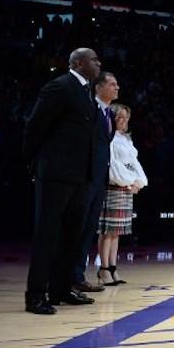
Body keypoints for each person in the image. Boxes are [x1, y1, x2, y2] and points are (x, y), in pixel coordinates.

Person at [23, 48, 102, 314]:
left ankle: (61, 288)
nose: (98, 62)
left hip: (80, 176)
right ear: (78, 63)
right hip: (56, 174)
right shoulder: (59, 86)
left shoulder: (86, 90)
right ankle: (35, 294)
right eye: (93, 59)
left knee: (72, 235)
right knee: (47, 235)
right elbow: (35, 126)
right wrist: (36, 163)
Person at [71, 71, 119, 293]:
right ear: (98, 88)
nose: (117, 87)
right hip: (86, 178)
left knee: (89, 228)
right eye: (112, 84)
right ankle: (70, 276)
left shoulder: (109, 113)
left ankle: (78, 275)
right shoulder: (90, 109)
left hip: (100, 180)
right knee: (77, 228)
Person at [97, 103, 148, 285]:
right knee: (107, 231)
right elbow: (113, 166)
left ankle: (112, 267)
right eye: (120, 117)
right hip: (114, 187)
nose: (123, 121)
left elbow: (134, 163)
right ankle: (103, 269)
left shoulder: (126, 139)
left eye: (126, 118)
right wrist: (128, 182)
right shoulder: (109, 138)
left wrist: (139, 182)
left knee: (116, 233)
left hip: (126, 188)